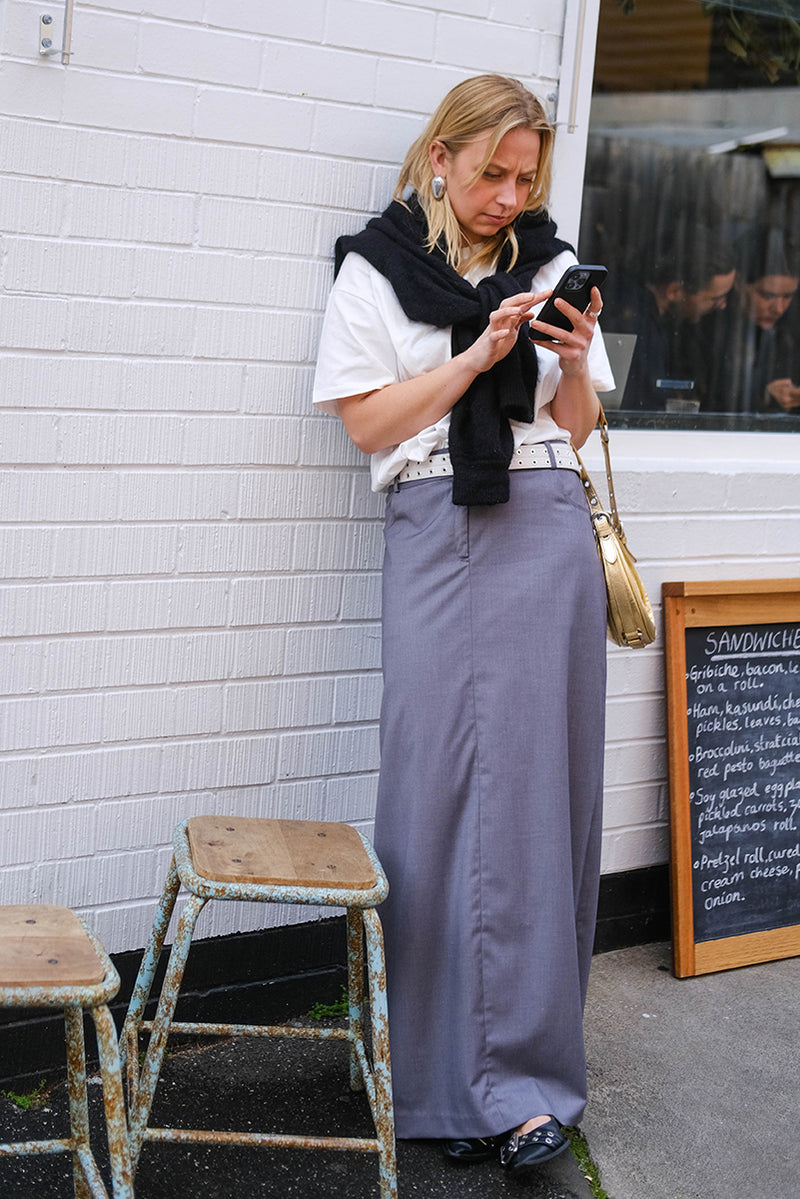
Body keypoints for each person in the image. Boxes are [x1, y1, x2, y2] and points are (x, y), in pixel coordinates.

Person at [312, 74, 613, 1177]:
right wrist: (475, 358)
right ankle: (430, 1071)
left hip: (545, 529)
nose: (506, 195)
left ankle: (528, 1085)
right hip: (437, 524)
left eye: (524, 177)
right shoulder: (374, 268)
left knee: (538, 796)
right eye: (490, 172)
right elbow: (364, 425)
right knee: (433, 790)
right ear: (437, 156)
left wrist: (570, 364)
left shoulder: (547, 265)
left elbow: (572, 432)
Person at [601, 232, 735, 410]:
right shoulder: (632, 326)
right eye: (714, 299)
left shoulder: (670, 323)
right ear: (675, 292)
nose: (723, 305)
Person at [703, 233, 800, 414]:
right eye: (767, 295)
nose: (778, 308)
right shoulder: (707, 326)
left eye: (788, 296)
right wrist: (762, 394)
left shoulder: (791, 329)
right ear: (738, 284)